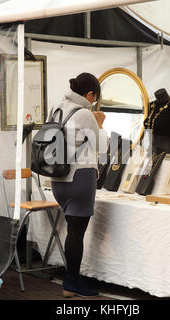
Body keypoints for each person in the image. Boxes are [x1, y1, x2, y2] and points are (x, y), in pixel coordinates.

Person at [49, 72, 107, 298]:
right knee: (76, 232)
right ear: (90, 94)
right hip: (79, 177)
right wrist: (100, 124)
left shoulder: (56, 108)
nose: (94, 103)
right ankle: (72, 281)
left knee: (72, 230)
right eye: (95, 98)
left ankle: (71, 280)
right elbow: (101, 146)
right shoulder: (84, 113)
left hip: (57, 178)